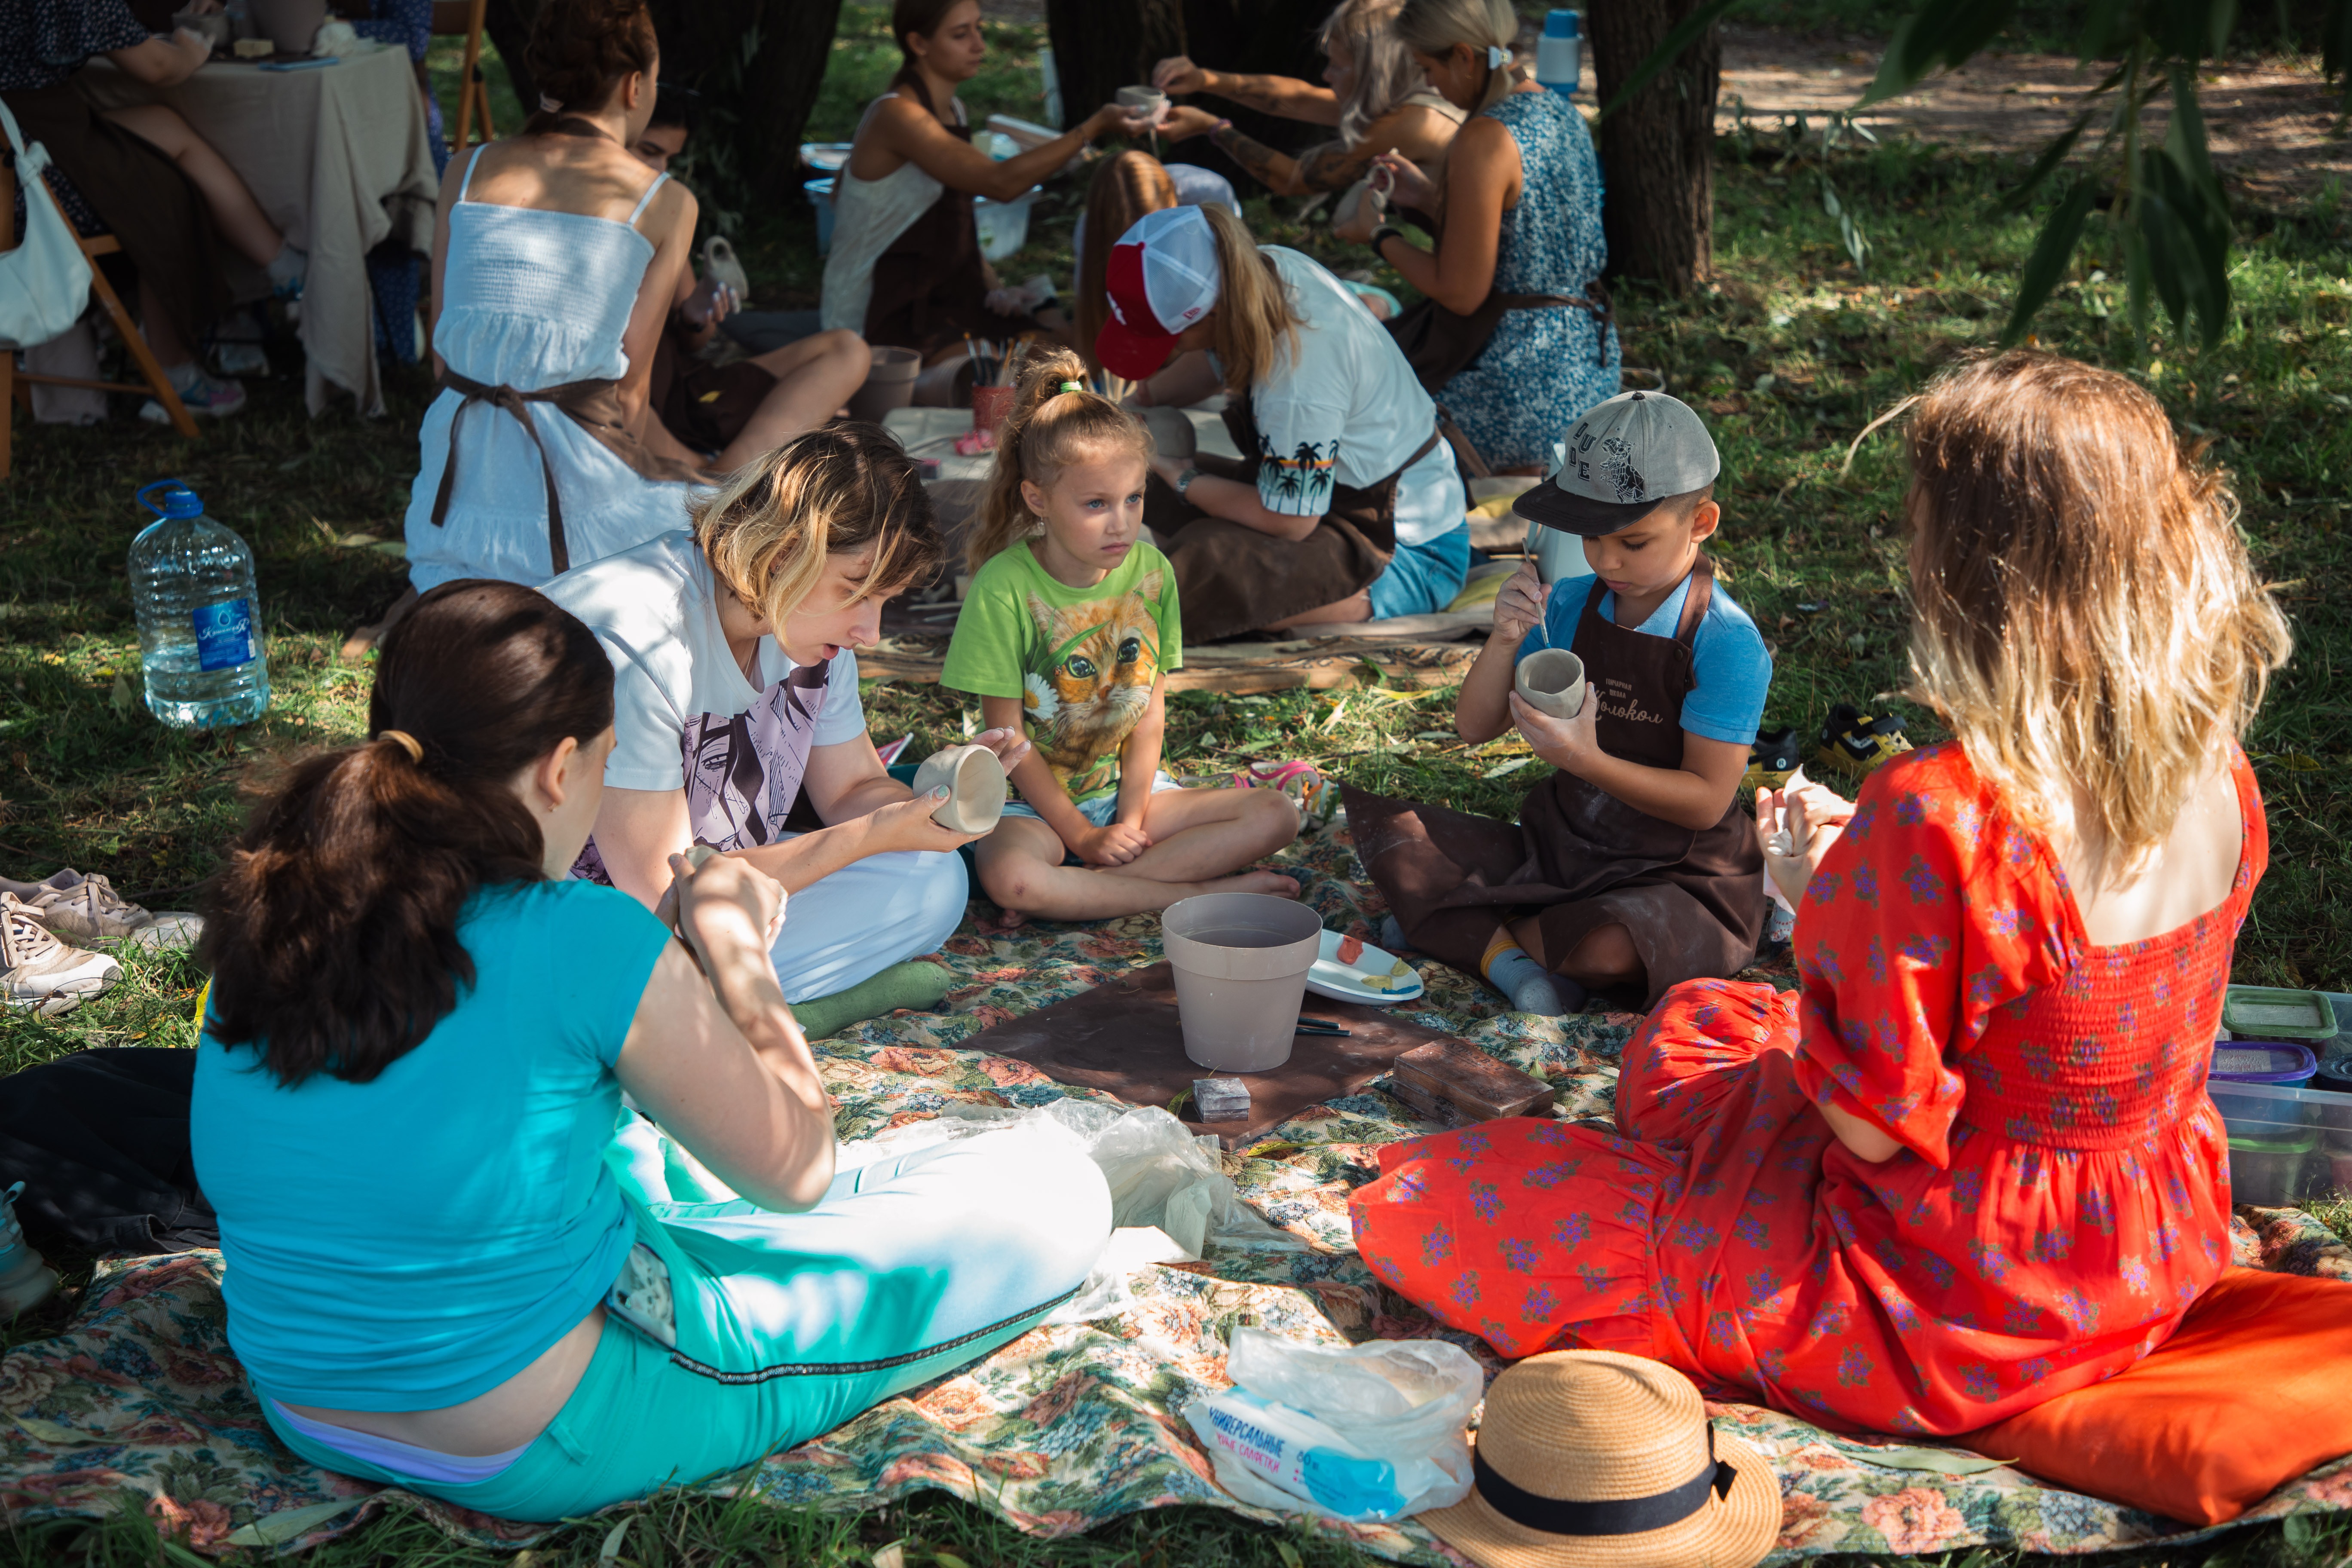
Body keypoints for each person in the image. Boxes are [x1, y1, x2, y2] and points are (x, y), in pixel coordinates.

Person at [1350, 351, 2292, 1437]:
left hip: (1963, 1291)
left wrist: (1824, 916)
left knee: (1462, 1199)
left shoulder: (1939, 811)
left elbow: (1870, 1132)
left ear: (1966, 577)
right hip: (2149, 1245)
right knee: (1701, 1036)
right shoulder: (2219, 768)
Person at [190, 579, 1109, 1521]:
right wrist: (738, 951)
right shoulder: (575, 930)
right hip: (541, 1426)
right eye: (605, 765)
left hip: (306, 1403)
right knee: (1058, 1188)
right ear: (561, 769)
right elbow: (797, 1171)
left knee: (637, 1146)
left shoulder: (271, 916)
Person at [545, 424, 1023, 1014]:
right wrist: (869, 836)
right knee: (662, 955)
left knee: (934, 881)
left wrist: (940, 801)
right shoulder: (636, 645)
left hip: (707, 908)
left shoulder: (811, 632)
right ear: (782, 555)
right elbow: (667, 895)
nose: (871, 633)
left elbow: (851, 789)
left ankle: (718, 1011)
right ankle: (750, 1017)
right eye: (857, 591)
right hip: (576, 928)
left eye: (884, 600)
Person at [1345, 391, 1769, 1015]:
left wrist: (1586, 760)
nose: (1607, 560)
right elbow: (1474, 726)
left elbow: (1706, 802)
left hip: (1678, 871)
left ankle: (1472, 935)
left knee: (1613, 947)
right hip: (1565, 845)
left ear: (1701, 522)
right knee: (1401, 839)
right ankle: (1515, 952)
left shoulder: (1726, 642)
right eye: (1591, 537)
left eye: (1634, 542)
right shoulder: (1570, 602)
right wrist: (1505, 636)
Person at [941, 349, 1302, 921]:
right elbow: (1009, 743)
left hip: (1133, 795)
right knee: (1013, 878)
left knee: (1277, 814)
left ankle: (1087, 891)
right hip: (1030, 807)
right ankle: (1196, 895)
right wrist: (1084, 837)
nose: (1122, 522)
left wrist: (1129, 823)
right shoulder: (1002, 588)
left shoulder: (1152, 572)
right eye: (1096, 504)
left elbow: (1149, 712)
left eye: (1134, 498)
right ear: (1038, 499)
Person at [400, 0, 711, 598]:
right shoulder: (665, 201)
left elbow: (442, 359)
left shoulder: (465, 169)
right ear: (635, 86)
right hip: (580, 508)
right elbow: (630, 397)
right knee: (729, 536)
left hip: (455, 502)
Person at [1104, 204, 1469, 639]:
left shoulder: (1299, 377)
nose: (1169, 352)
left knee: (1199, 568)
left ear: (1214, 313)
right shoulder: (1259, 269)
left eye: (1171, 340)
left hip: (1405, 553)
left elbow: (1291, 522)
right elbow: (1215, 356)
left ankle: (1331, 599)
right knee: (1138, 477)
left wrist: (1181, 476)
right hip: (1326, 502)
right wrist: (1138, 404)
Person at [1334, 0, 1618, 474]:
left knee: (1349, 415)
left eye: (1428, 69)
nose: (1430, 86)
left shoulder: (1485, 136)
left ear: (1464, 57)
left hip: (1513, 387)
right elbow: (1527, 237)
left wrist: (1378, 235)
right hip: (1585, 373)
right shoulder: (1559, 110)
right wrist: (1429, 199)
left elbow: (1461, 293)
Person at [1, 0, 306, 418]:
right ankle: (178, 373)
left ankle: (283, 265)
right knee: (160, 191)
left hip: (21, 153)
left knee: (163, 128)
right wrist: (190, 50)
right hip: (33, 174)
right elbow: (157, 68)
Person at [819, 0, 1140, 378]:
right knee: (1003, 374)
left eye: (979, 29)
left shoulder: (953, 109)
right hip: (881, 311)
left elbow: (952, 224)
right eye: (961, 34)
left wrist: (995, 289)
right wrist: (1093, 127)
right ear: (919, 44)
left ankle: (1041, 320)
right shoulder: (897, 115)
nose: (979, 45)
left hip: (944, 297)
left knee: (1072, 354)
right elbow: (999, 183)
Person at [626, 86, 871, 472]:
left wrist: (695, 313)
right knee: (619, 396)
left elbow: (695, 341)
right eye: (648, 151)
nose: (660, 172)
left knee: (847, 349)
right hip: (633, 405)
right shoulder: (589, 226)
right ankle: (718, 478)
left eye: (669, 159)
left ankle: (727, 470)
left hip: (687, 391)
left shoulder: (662, 211)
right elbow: (615, 386)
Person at [1150, 0, 1463, 203]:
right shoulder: (1406, 99)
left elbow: (1294, 179)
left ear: (1376, 74)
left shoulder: (1411, 123)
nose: (1326, 76)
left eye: (1338, 67)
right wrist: (1206, 80)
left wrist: (1213, 128)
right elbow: (1300, 99)